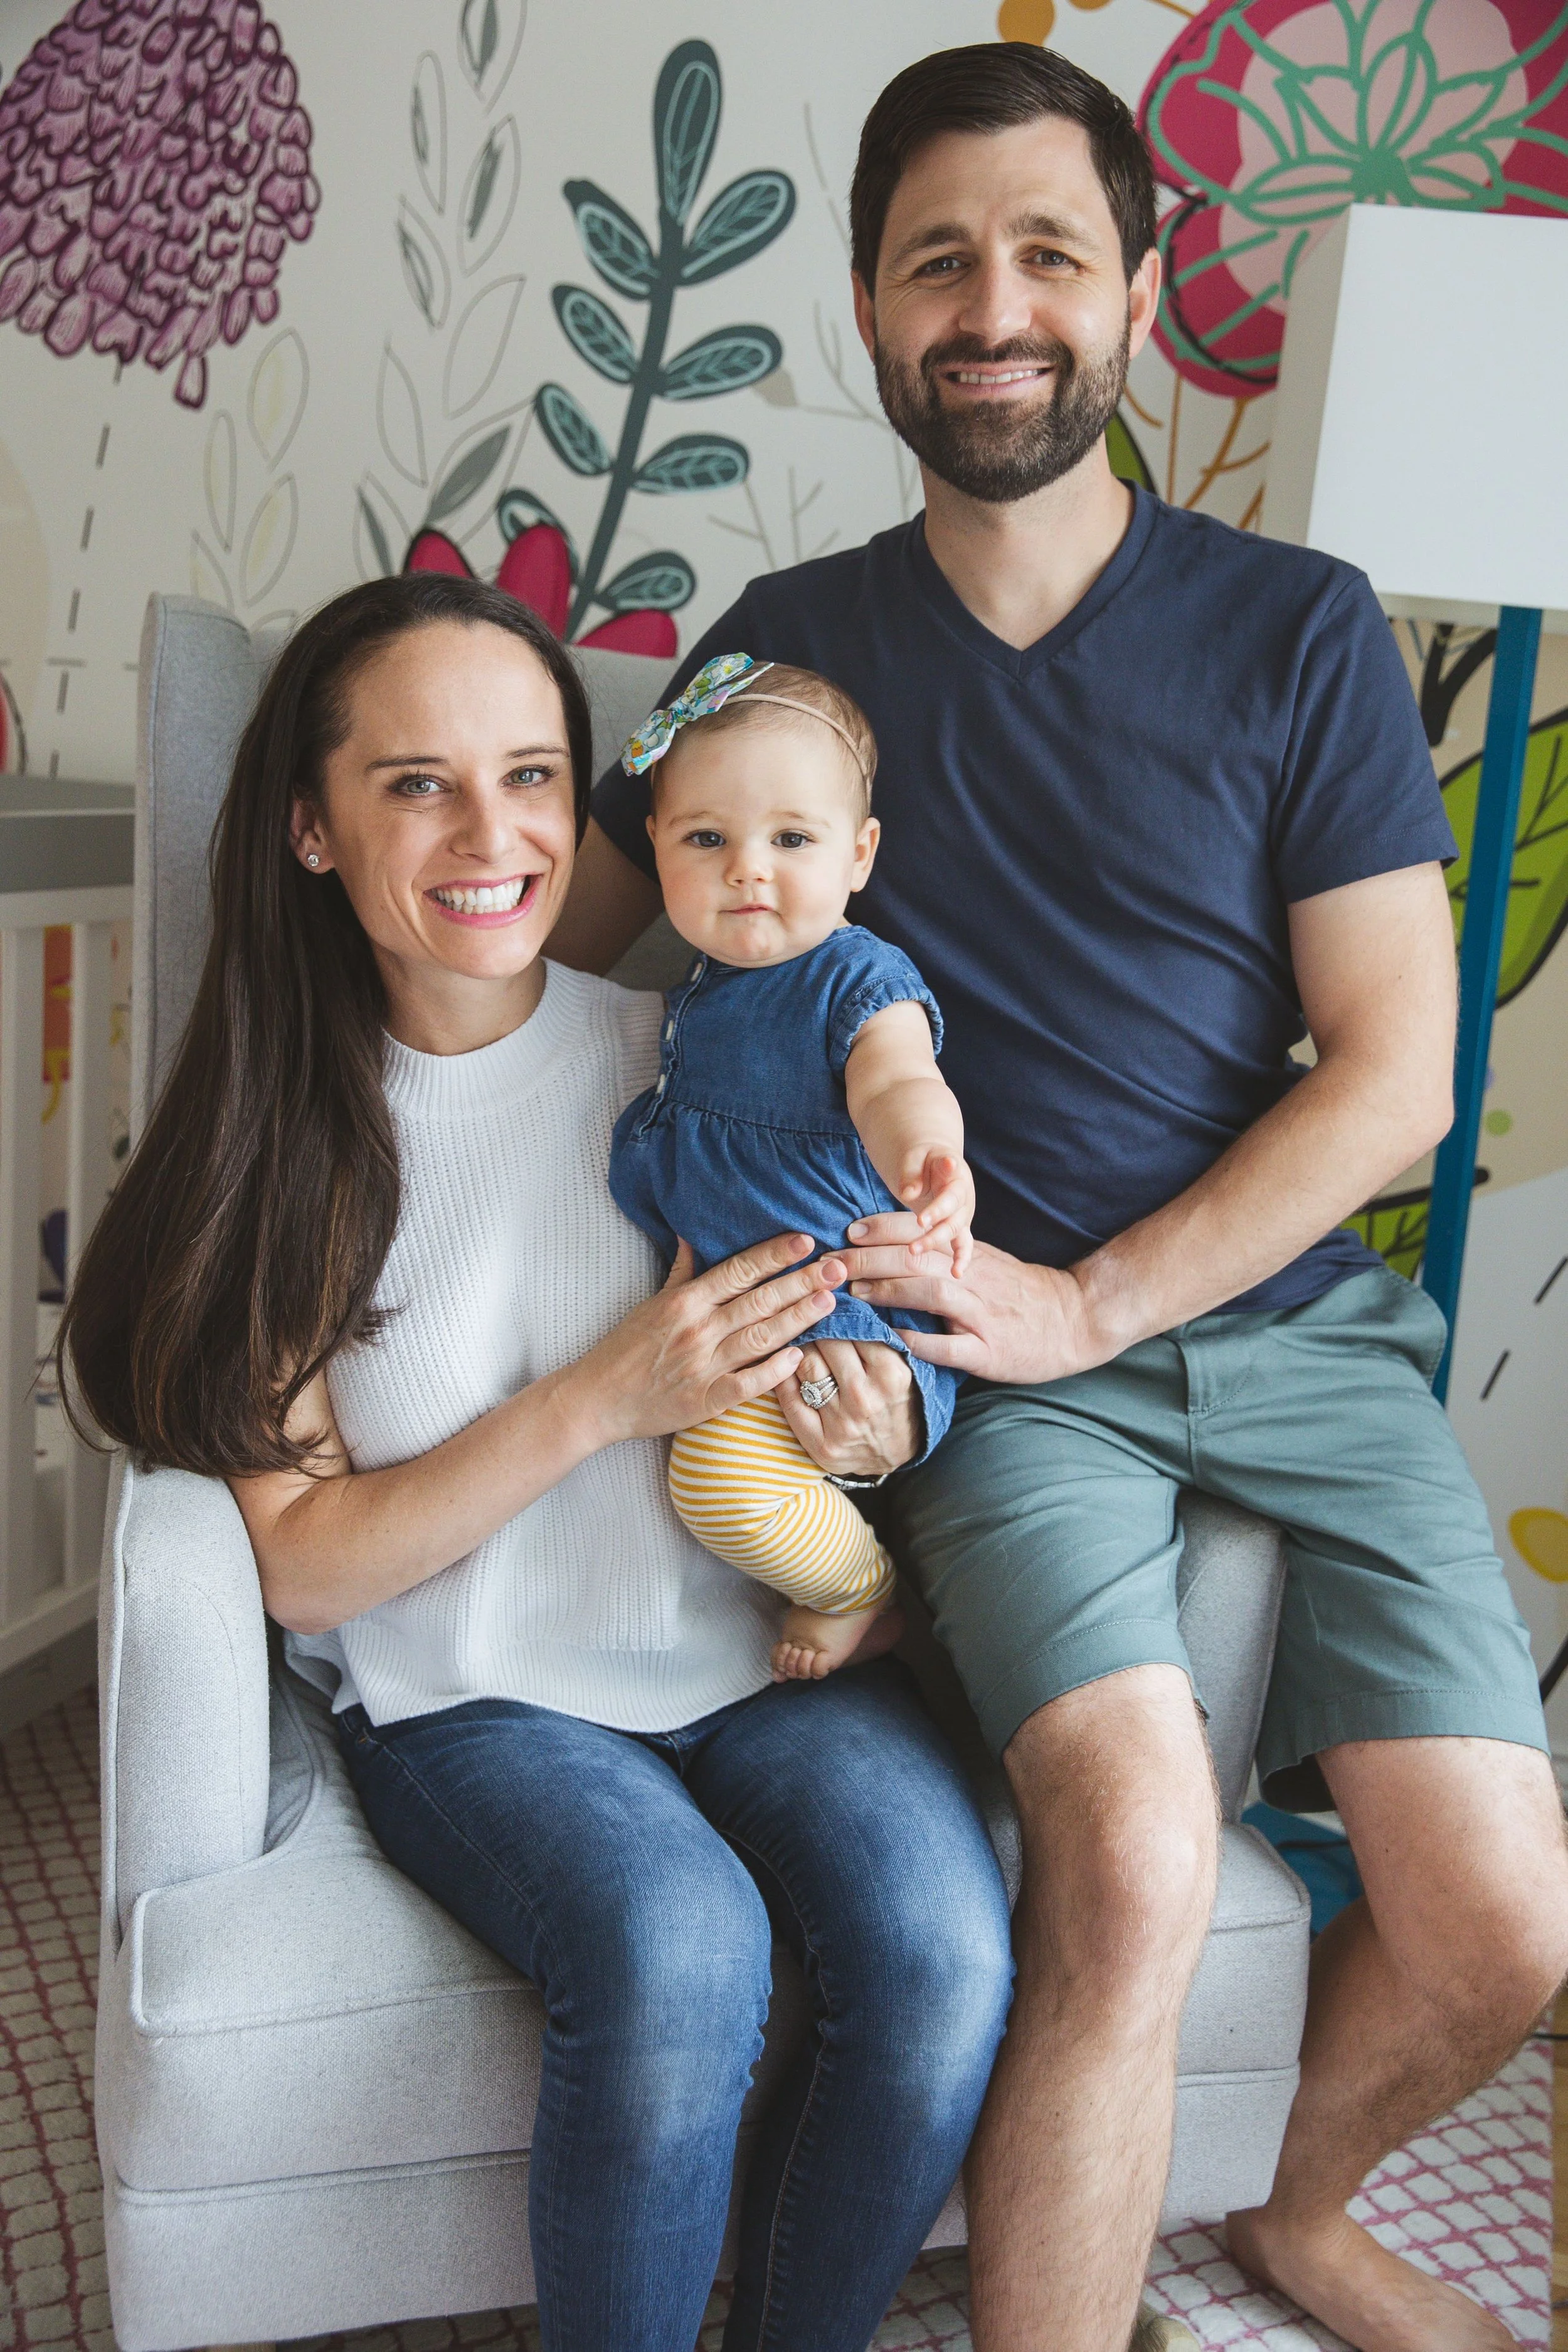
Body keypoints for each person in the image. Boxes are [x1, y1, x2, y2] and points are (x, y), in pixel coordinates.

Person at [551, 40, 1568, 2352]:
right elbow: (553, 933)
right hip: (981, 1364)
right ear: (866, 308)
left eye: (1046, 255)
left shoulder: (1305, 624)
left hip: (1275, 1328)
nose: (992, 307)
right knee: (1126, 1859)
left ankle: (1297, 2207)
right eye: (940, 263)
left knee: (1508, 1922)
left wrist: (1098, 1294)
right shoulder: (774, 645)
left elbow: (1396, 1074)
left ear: (1134, 292)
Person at [61, 573, 1014, 2352]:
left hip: (761, 1654)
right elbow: (311, 1565)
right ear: (312, 826)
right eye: (417, 782)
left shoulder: (702, 1060)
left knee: (943, 1948)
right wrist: (599, 1396)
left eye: (529, 774)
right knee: (680, 1952)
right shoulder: (284, 1155)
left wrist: (877, 1421)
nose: (490, 832)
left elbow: (874, 1308)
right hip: (474, 1692)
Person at [609, 650, 970, 1680]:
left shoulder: (855, 974)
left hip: (830, 1319)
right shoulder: (706, 987)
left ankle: (859, 1585)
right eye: (707, 838)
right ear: (658, 846)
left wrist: (928, 1161)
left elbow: (897, 1081)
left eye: (792, 839)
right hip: (754, 1311)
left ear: (859, 854)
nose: (747, 867)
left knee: (715, 1484)